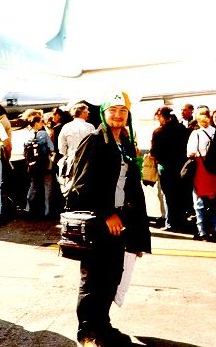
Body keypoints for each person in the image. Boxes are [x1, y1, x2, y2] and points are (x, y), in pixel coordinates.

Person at [66, 90, 151, 347]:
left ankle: (103, 325)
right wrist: (106, 214)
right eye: (112, 110)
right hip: (99, 222)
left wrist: (137, 232)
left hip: (122, 222)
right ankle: (87, 333)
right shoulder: (94, 141)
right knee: (92, 279)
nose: (117, 115)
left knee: (112, 275)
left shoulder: (123, 143)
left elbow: (132, 188)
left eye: (122, 111)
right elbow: (80, 186)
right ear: (103, 113)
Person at [187, 105, 216, 241]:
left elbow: (190, 153)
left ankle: (202, 231)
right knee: (215, 202)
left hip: (202, 170)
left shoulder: (196, 133)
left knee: (199, 203)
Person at [149, 106, 190, 232]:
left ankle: (171, 222)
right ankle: (181, 220)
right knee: (180, 193)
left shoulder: (158, 132)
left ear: (162, 117)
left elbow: (154, 152)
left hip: (165, 166)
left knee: (168, 195)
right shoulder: (182, 129)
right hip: (181, 166)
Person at [24, 114, 54, 218]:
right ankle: (47, 211)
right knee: (47, 186)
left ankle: (28, 208)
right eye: (41, 121)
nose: (43, 123)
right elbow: (51, 147)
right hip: (44, 164)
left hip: (33, 165)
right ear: (36, 123)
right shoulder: (44, 134)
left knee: (33, 186)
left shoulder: (27, 135)